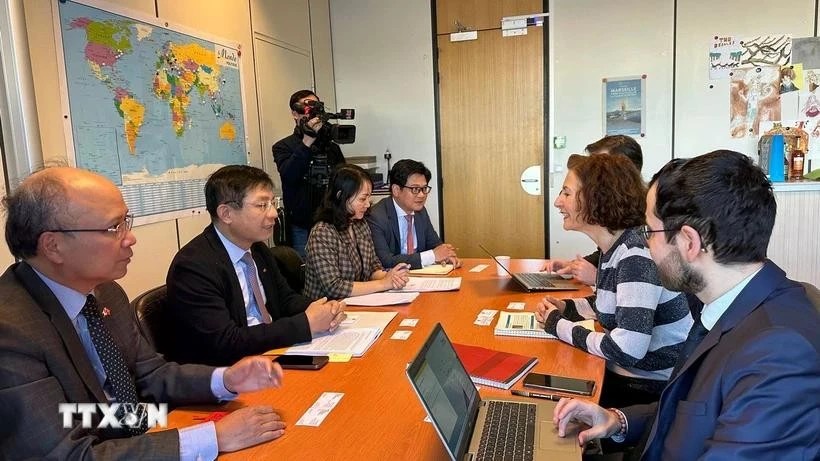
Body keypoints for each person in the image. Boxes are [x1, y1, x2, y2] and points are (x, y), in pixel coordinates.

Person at [0, 167, 288, 459]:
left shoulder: (106, 292)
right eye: (113, 228)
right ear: (53, 246)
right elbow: (68, 455)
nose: (130, 238)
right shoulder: (11, 331)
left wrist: (225, 380)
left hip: (137, 432)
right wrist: (214, 437)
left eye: (126, 221)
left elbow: (151, 375)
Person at [551, 150, 820, 460]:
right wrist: (617, 420)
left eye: (648, 232)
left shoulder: (779, 353)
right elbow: (692, 410)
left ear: (689, 242)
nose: (644, 245)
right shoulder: (728, 304)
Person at [536, 154, 691, 408]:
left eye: (566, 193)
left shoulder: (635, 255)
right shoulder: (616, 247)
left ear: (595, 198)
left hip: (647, 388)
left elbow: (626, 349)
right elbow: (615, 304)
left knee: (552, 397)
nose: (557, 202)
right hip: (632, 375)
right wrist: (567, 308)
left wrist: (558, 325)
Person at [166, 165, 346, 366]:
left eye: (272, 203)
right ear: (226, 214)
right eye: (262, 205)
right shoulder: (193, 267)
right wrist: (305, 324)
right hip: (230, 371)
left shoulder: (258, 249)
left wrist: (321, 309)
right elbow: (226, 342)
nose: (274, 213)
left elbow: (285, 300)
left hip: (270, 354)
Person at [542, 135, 643, 285]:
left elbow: (633, 277)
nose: (591, 172)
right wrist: (573, 266)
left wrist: (597, 277)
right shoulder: (615, 242)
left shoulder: (636, 250)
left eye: (600, 166)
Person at [303, 164, 409, 300]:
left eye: (369, 198)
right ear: (341, 196)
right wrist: (383, 284)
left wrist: (391, 276)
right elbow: (334, 287)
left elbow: (373, 267)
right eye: (362, 199)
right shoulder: (322, 232)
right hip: (327, 306)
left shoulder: (360, 224)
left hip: (357, 302)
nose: (368, 204)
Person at [273, 89, 346, 259]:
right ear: (295, 113)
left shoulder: (331, 148)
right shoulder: (283, 146)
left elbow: (342, 179)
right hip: (301, 225)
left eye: (316, 107)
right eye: (308, 107)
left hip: (331, 221)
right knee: (303, 269)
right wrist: (307, 142)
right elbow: (289, 175)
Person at [366, 159, 460, 269]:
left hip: (419, 276)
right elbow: (385, 261)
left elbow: (434, 245)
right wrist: (432, 256)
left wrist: (447, 256)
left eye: (424, 188)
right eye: (415, 189)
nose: (422, 195)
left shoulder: (420, 211)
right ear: (396, 190)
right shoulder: (376, 216)